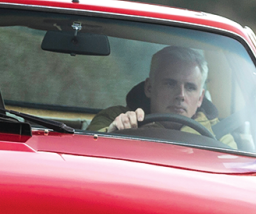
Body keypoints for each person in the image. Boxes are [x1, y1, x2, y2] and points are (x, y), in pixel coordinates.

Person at [87, 45, 235, 147]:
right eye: (170, 84)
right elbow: (84, 153)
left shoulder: (219, 136)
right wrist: (112, 134)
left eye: (190, 87)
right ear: (149, 87)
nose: (180, 95)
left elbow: (231, 177)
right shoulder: (114, 119)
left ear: (200, 98)